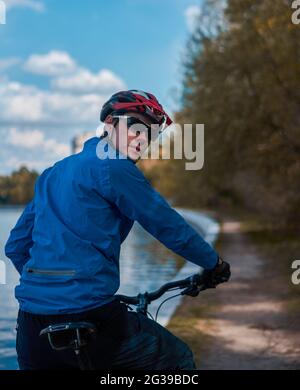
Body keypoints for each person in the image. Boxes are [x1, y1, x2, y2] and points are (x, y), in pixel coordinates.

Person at [5, 89, 230, 370]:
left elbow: (15, 245)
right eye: (135, 127)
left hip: (30, 327)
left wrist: (51, 286)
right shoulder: (114, 166)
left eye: (151, 133)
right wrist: (215, 264)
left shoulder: (54, 172)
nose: (143, 138)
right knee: (177, 359)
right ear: (110, 123)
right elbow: (167, 224)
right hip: (88, 320)